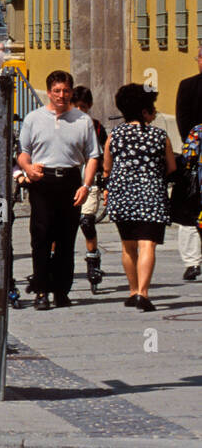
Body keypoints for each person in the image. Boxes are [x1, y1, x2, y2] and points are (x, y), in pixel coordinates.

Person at [17, 70, 101, 309]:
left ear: (71, 92)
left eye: (65, 91)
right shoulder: (34, 118)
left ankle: (62, 291)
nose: (61, 95)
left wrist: (86, 185)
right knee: (41, 236)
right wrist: (27, 168)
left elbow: (93, 156)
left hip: (70, 180)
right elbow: (23, 153)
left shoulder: (82, 120)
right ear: (49, 92)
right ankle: (41, 290)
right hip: (43, 179)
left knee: (66, 238)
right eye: (56, 91)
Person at [104, 83, 174, 312]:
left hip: (122, 195)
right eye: (152, 108)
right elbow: (171, 167)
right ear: (144, 111)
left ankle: (132, 290)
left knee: (128, 245)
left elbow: (107, 168)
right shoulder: (159, 136)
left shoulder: (115, 134)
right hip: (151, 195)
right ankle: (144, 293)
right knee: (147, 244)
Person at [71, 86, 109, 285]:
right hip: (66, 182)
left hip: (89, 182)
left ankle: (93, 258)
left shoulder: (96, 127)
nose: (80, 111)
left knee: (86, 222)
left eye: (83, 107)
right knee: (58, 227)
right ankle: (53, 263)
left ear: (90, 106)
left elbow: (103, 157)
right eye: (76, 106)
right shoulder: (62, 124)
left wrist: (105, 183)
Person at [174, 46, 202, 279]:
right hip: (195, 157)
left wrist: (191, 147)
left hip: (194, 157)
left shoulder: (187, 85)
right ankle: (192, 261)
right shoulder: (188, 85)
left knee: (189, 210)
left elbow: (183, 122)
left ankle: (192, 262)